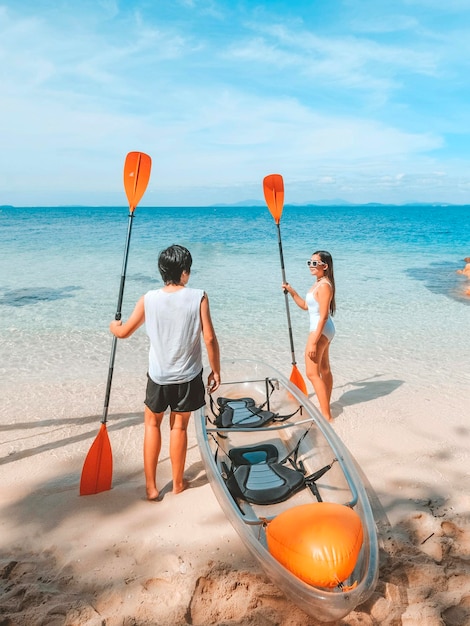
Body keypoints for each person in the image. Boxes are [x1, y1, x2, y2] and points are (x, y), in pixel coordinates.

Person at [110, 244, 221, 500]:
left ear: (162, 271)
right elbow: (210, 338)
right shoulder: (199, 296)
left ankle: (151, 487)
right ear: (185, 271)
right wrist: (216, 371)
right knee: (178, 428)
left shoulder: (148, 299)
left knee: (151, 424)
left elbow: (124, 332)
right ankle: (178, 483)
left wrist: (113, 327)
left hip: (158, 376)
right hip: (188, 375)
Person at [282, 250, 336, 422]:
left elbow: (324, 315)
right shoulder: (318, 283)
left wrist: (313, 342)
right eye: (309, 262)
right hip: (323, 330)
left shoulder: (325, 285)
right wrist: (292, 292)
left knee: (312, 374)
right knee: (324, 369)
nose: (311, 266)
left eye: (315, 263)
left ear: (324, 266)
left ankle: (326, 416)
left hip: (319, 330)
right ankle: (326, 405)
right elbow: (306, 306)